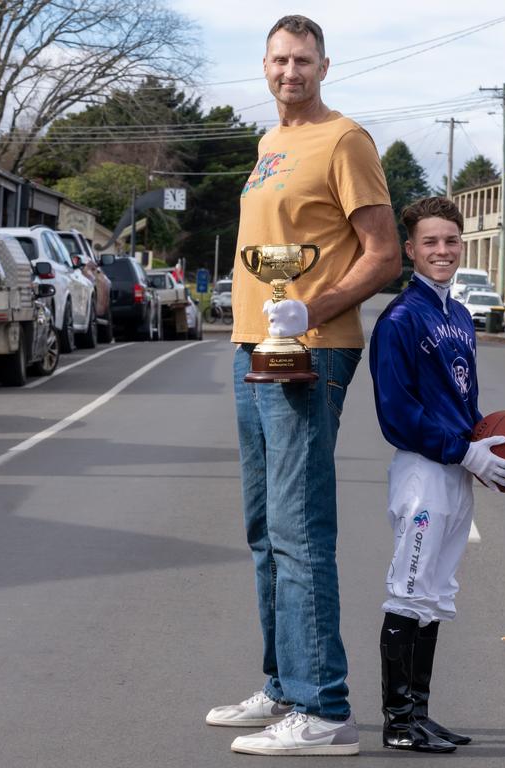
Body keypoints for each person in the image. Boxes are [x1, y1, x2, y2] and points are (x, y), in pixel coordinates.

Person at [205, 14, 401, 757]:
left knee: (299, 529)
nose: (292, 72)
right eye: (281, 60)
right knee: (264, 529)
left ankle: (324, 708)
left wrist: (311, 308)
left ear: (324, 66)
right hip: (253, 348)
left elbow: (382, 255)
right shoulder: (270, 145)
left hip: (311, 354)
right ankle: (285, 686)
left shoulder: (345, 140)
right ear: (264, 66)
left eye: (305, 61)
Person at [369, 196, 505, 753]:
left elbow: (463, 398)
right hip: (424, 472)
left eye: (450, 241)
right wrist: (461, 450)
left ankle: (421, 712)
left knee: (432, 594)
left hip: (456, 468)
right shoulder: (400, 319)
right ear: (409, 249)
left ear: (462, 245)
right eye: (430, 242)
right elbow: (397, 414)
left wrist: (483, 442)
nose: (442, 250)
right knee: (407, 592)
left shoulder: (457, 315)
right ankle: (398, 722)